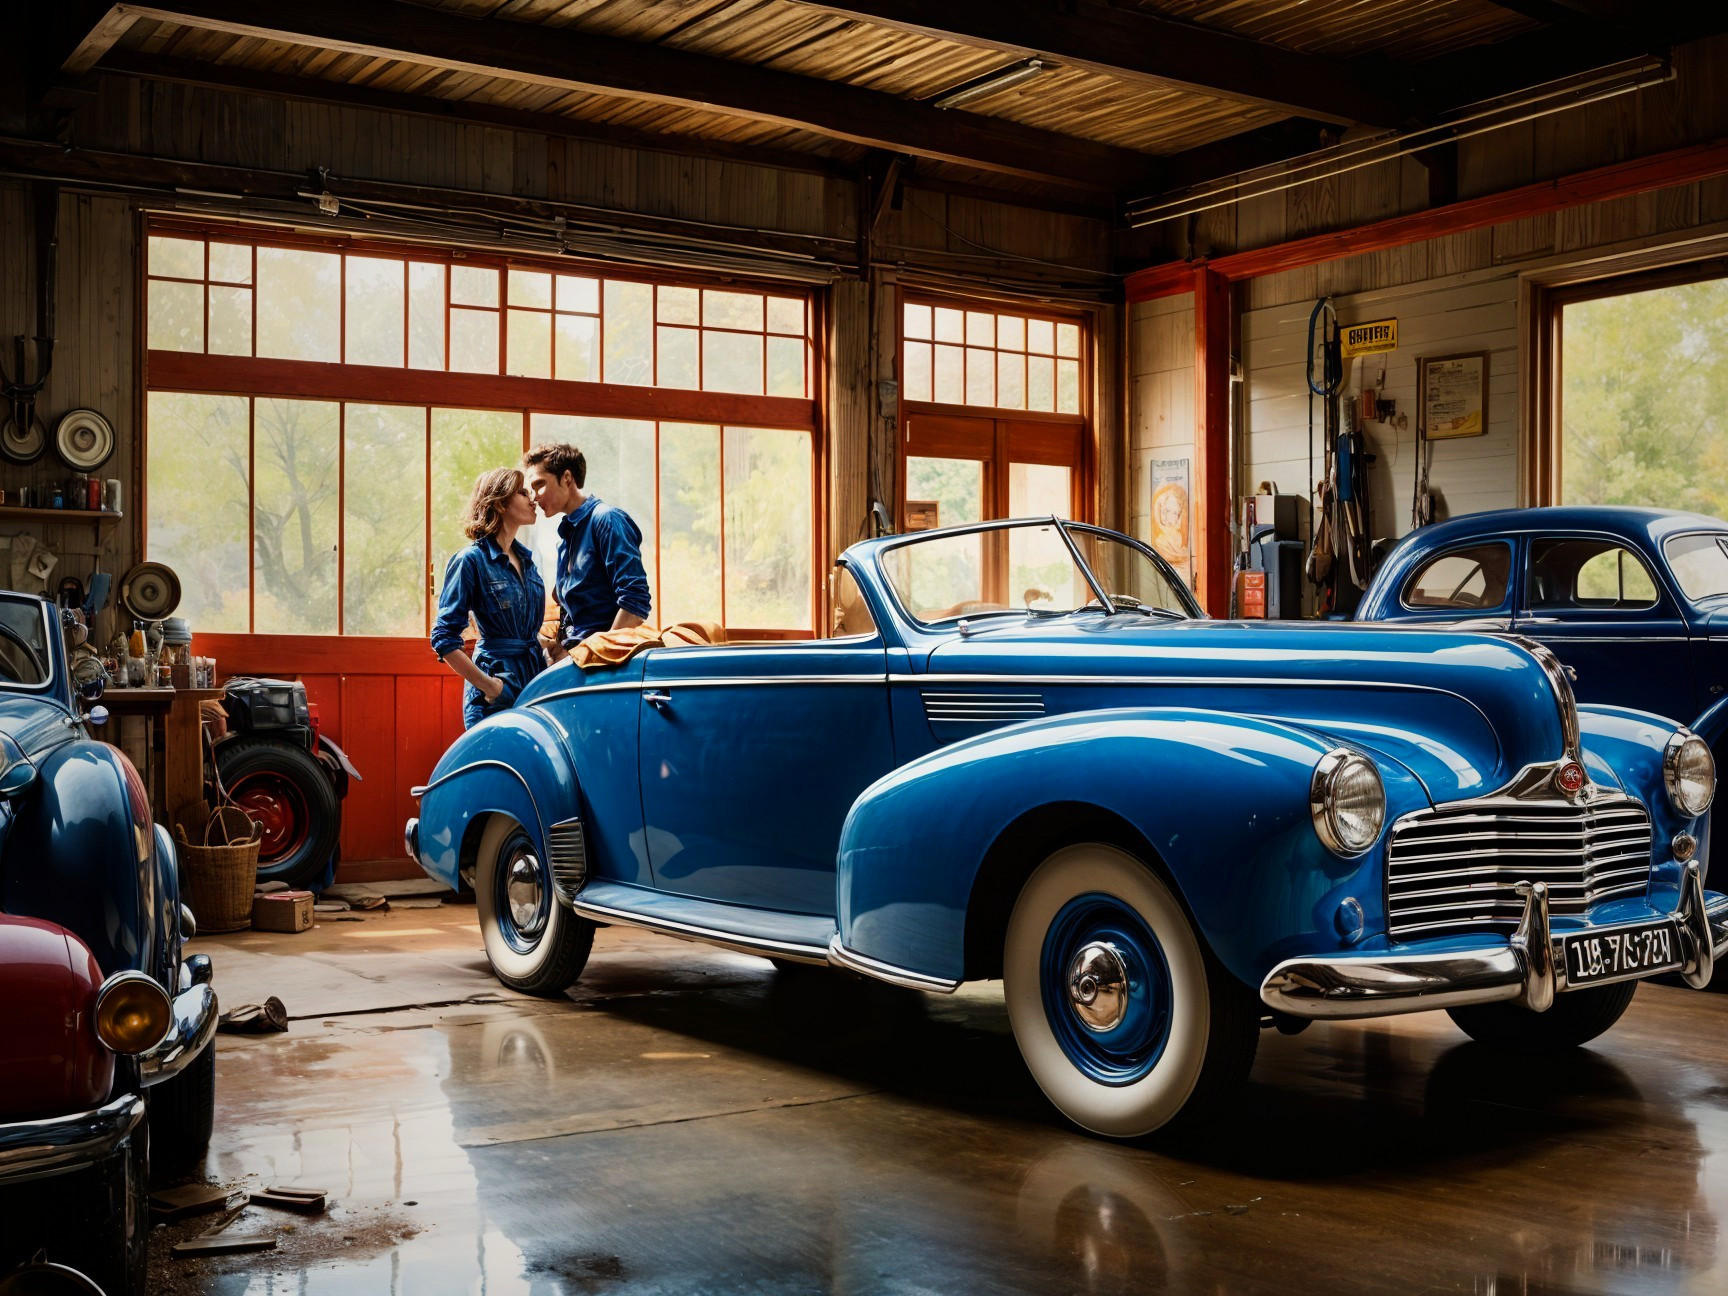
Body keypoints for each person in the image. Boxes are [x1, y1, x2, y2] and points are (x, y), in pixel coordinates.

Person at [431, 467, 548, 729]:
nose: (533, 499)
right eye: (522, 492)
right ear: (500, 502)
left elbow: (521, 627)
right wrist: (492, 687)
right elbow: (443, 639)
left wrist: (548, 645)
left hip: (534, 681)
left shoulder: (529, 563)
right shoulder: (470, 561)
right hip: (494, 687)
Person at [522, 442, 653, 653]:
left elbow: (635, 602)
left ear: (566, 478)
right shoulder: (566, 538)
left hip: (602, 661)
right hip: (575, 654)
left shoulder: (606, 520)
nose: (535, 497)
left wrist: (594, 653)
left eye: (539, 484)